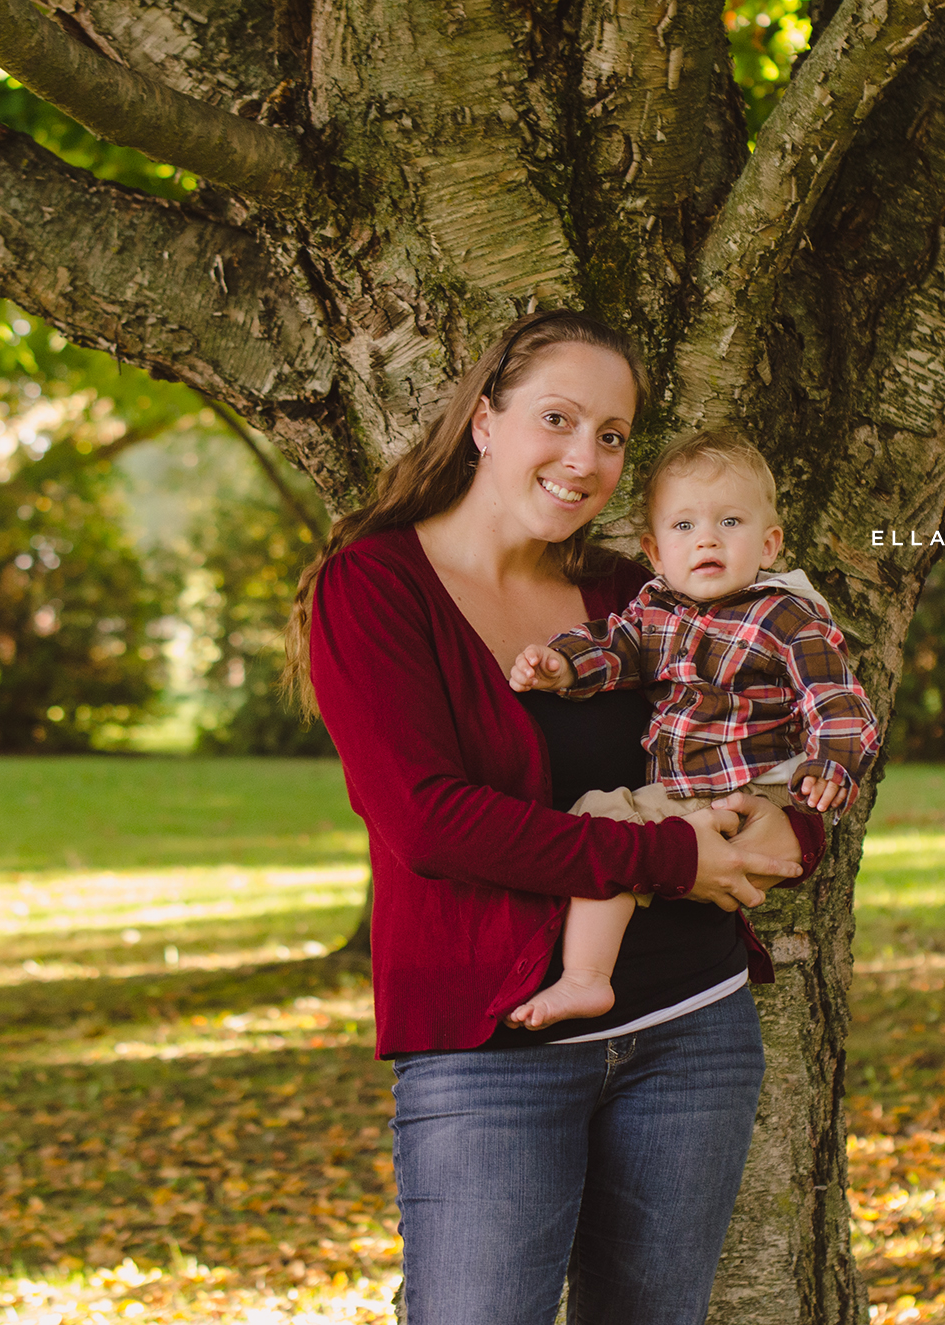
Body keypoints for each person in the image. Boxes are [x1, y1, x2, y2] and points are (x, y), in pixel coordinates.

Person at [284, 309, 826, 1324]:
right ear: (484, 420)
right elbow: (431, 822)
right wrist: (671, 855)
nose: (585, 458)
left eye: (612, 435)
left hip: (687, 1030)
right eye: (558, 418)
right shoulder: (372, 588)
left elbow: (761, 742)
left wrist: (792, 831)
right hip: (487, 1046)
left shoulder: (637, 594)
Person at [503, 431, 879, 1030]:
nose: (706, 538)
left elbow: (836, 697)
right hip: (688, 788)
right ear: (654, 552)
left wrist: (831, 763)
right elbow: (616, 646)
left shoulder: (784, 615)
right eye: (683, 527)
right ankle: (595, 968)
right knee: (607, 821)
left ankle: (584, 978)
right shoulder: (657, 610)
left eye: (730, 521)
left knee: (605, 818)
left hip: (749, 784)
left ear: (770, 542)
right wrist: (563, 663)